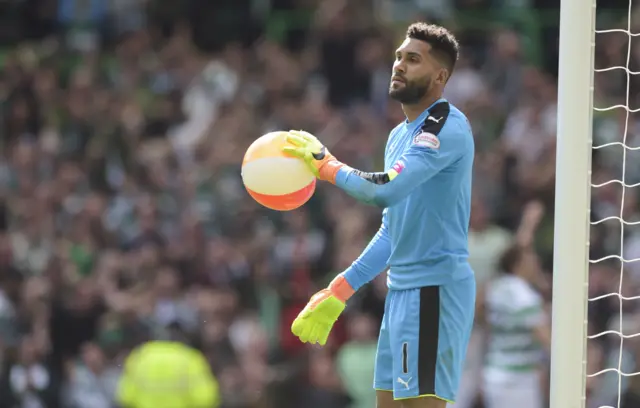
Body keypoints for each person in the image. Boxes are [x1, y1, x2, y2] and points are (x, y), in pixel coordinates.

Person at [284, 23, 476, 408]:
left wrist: (328, 167)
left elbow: (385, 188)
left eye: (413, 59)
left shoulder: (445, 125)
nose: (399, 65)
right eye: (398, 57)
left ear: (440, 76)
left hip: (434, 291)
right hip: (402, 292)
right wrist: (339, 290)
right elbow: (393, 228)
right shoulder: (397, 136)